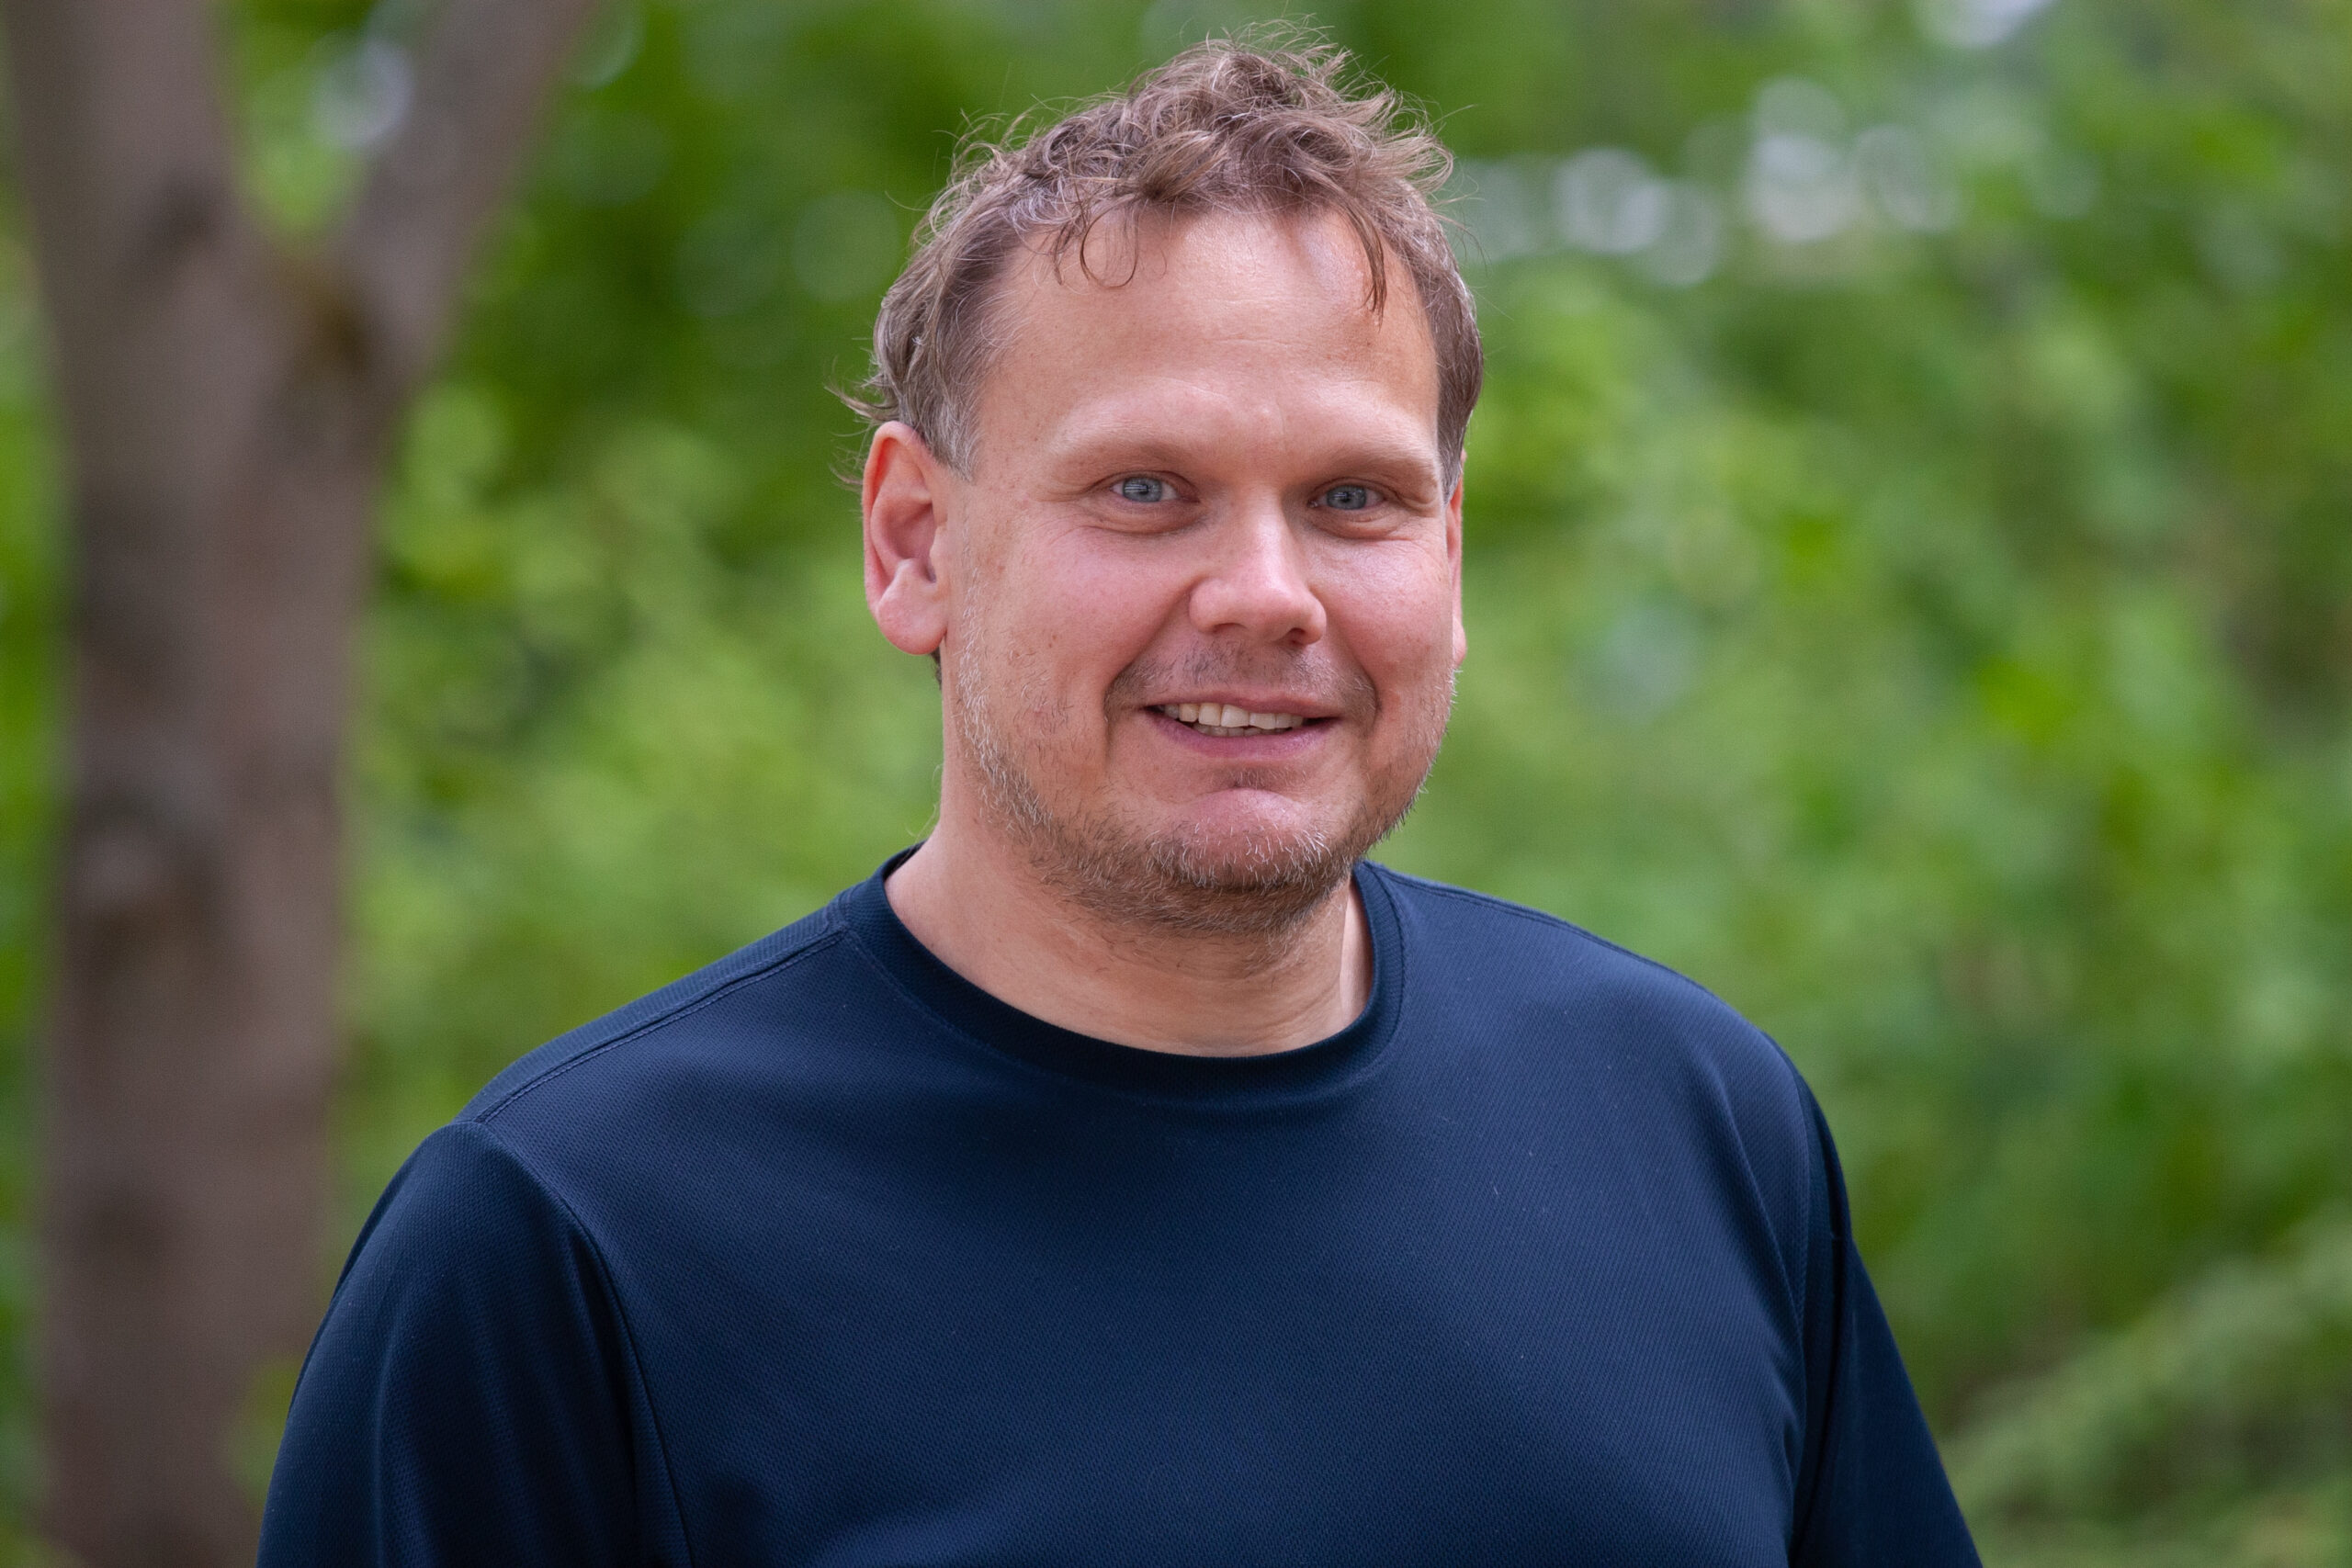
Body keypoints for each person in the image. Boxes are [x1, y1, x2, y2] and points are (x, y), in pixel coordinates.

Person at [260, 37, 1980, 1567]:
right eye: (1147, 490)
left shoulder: (1692, 1122)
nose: (1267, 593)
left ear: (1452, 558)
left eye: (1355, 498)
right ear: (914, 543)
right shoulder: (565, 1248)